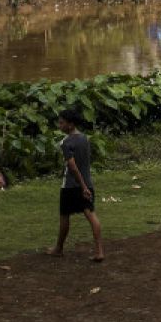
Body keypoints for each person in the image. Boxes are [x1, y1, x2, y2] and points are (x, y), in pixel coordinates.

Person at [46, 108, 104, 262]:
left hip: (71, 186)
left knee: (64, 216)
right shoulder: (85, 138)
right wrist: (86, 186)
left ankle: (58, 249)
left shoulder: (66, 142)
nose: (59, 126)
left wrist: (82, 186)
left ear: (70, 125)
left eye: (61, 123)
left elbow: (72, 166)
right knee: (91, 215)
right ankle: (99, 251)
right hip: (88, 182)